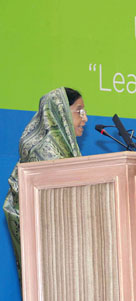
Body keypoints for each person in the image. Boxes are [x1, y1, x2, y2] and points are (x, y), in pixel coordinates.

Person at [3, 87, 87, 280]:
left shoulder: (67, 153)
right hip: (49, 258)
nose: (85, 118)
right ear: (62, 112)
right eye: (79, 111)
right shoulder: (42, 156)